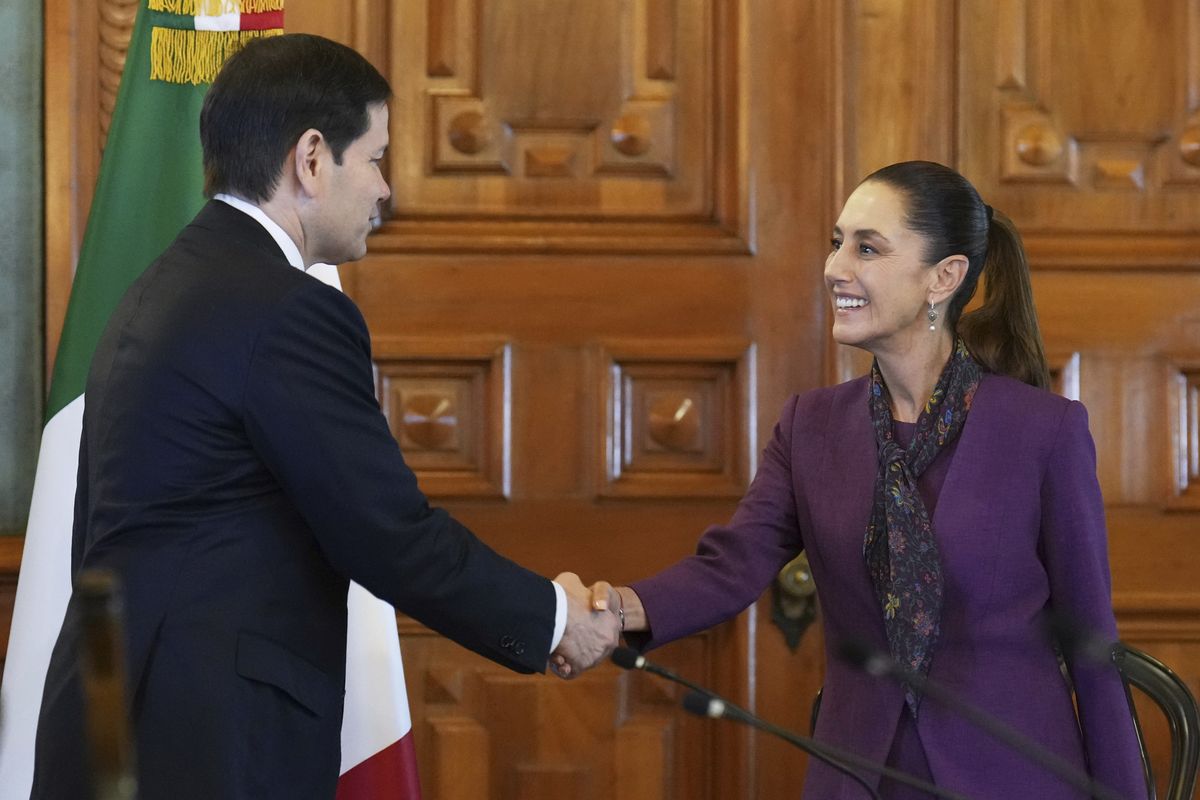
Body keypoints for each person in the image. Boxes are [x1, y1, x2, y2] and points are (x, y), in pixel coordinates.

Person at [32, 34, 616, 800]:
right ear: (311, 159)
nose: (385, 189)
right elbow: (389, 534)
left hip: (112, 724)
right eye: (374, 158)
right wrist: (554, 618)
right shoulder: (287, 311)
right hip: (209, 744)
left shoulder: (156, 291)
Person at [569, 161, 1148, 798]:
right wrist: (612, 609)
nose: (835, 267)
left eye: (867, 248)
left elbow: (1093, 647)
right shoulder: (810, 426)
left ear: (944, 277)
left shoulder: (1044, 431)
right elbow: (730, 567)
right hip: (859, 777)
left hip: (1013, 778)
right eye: (836, 242)